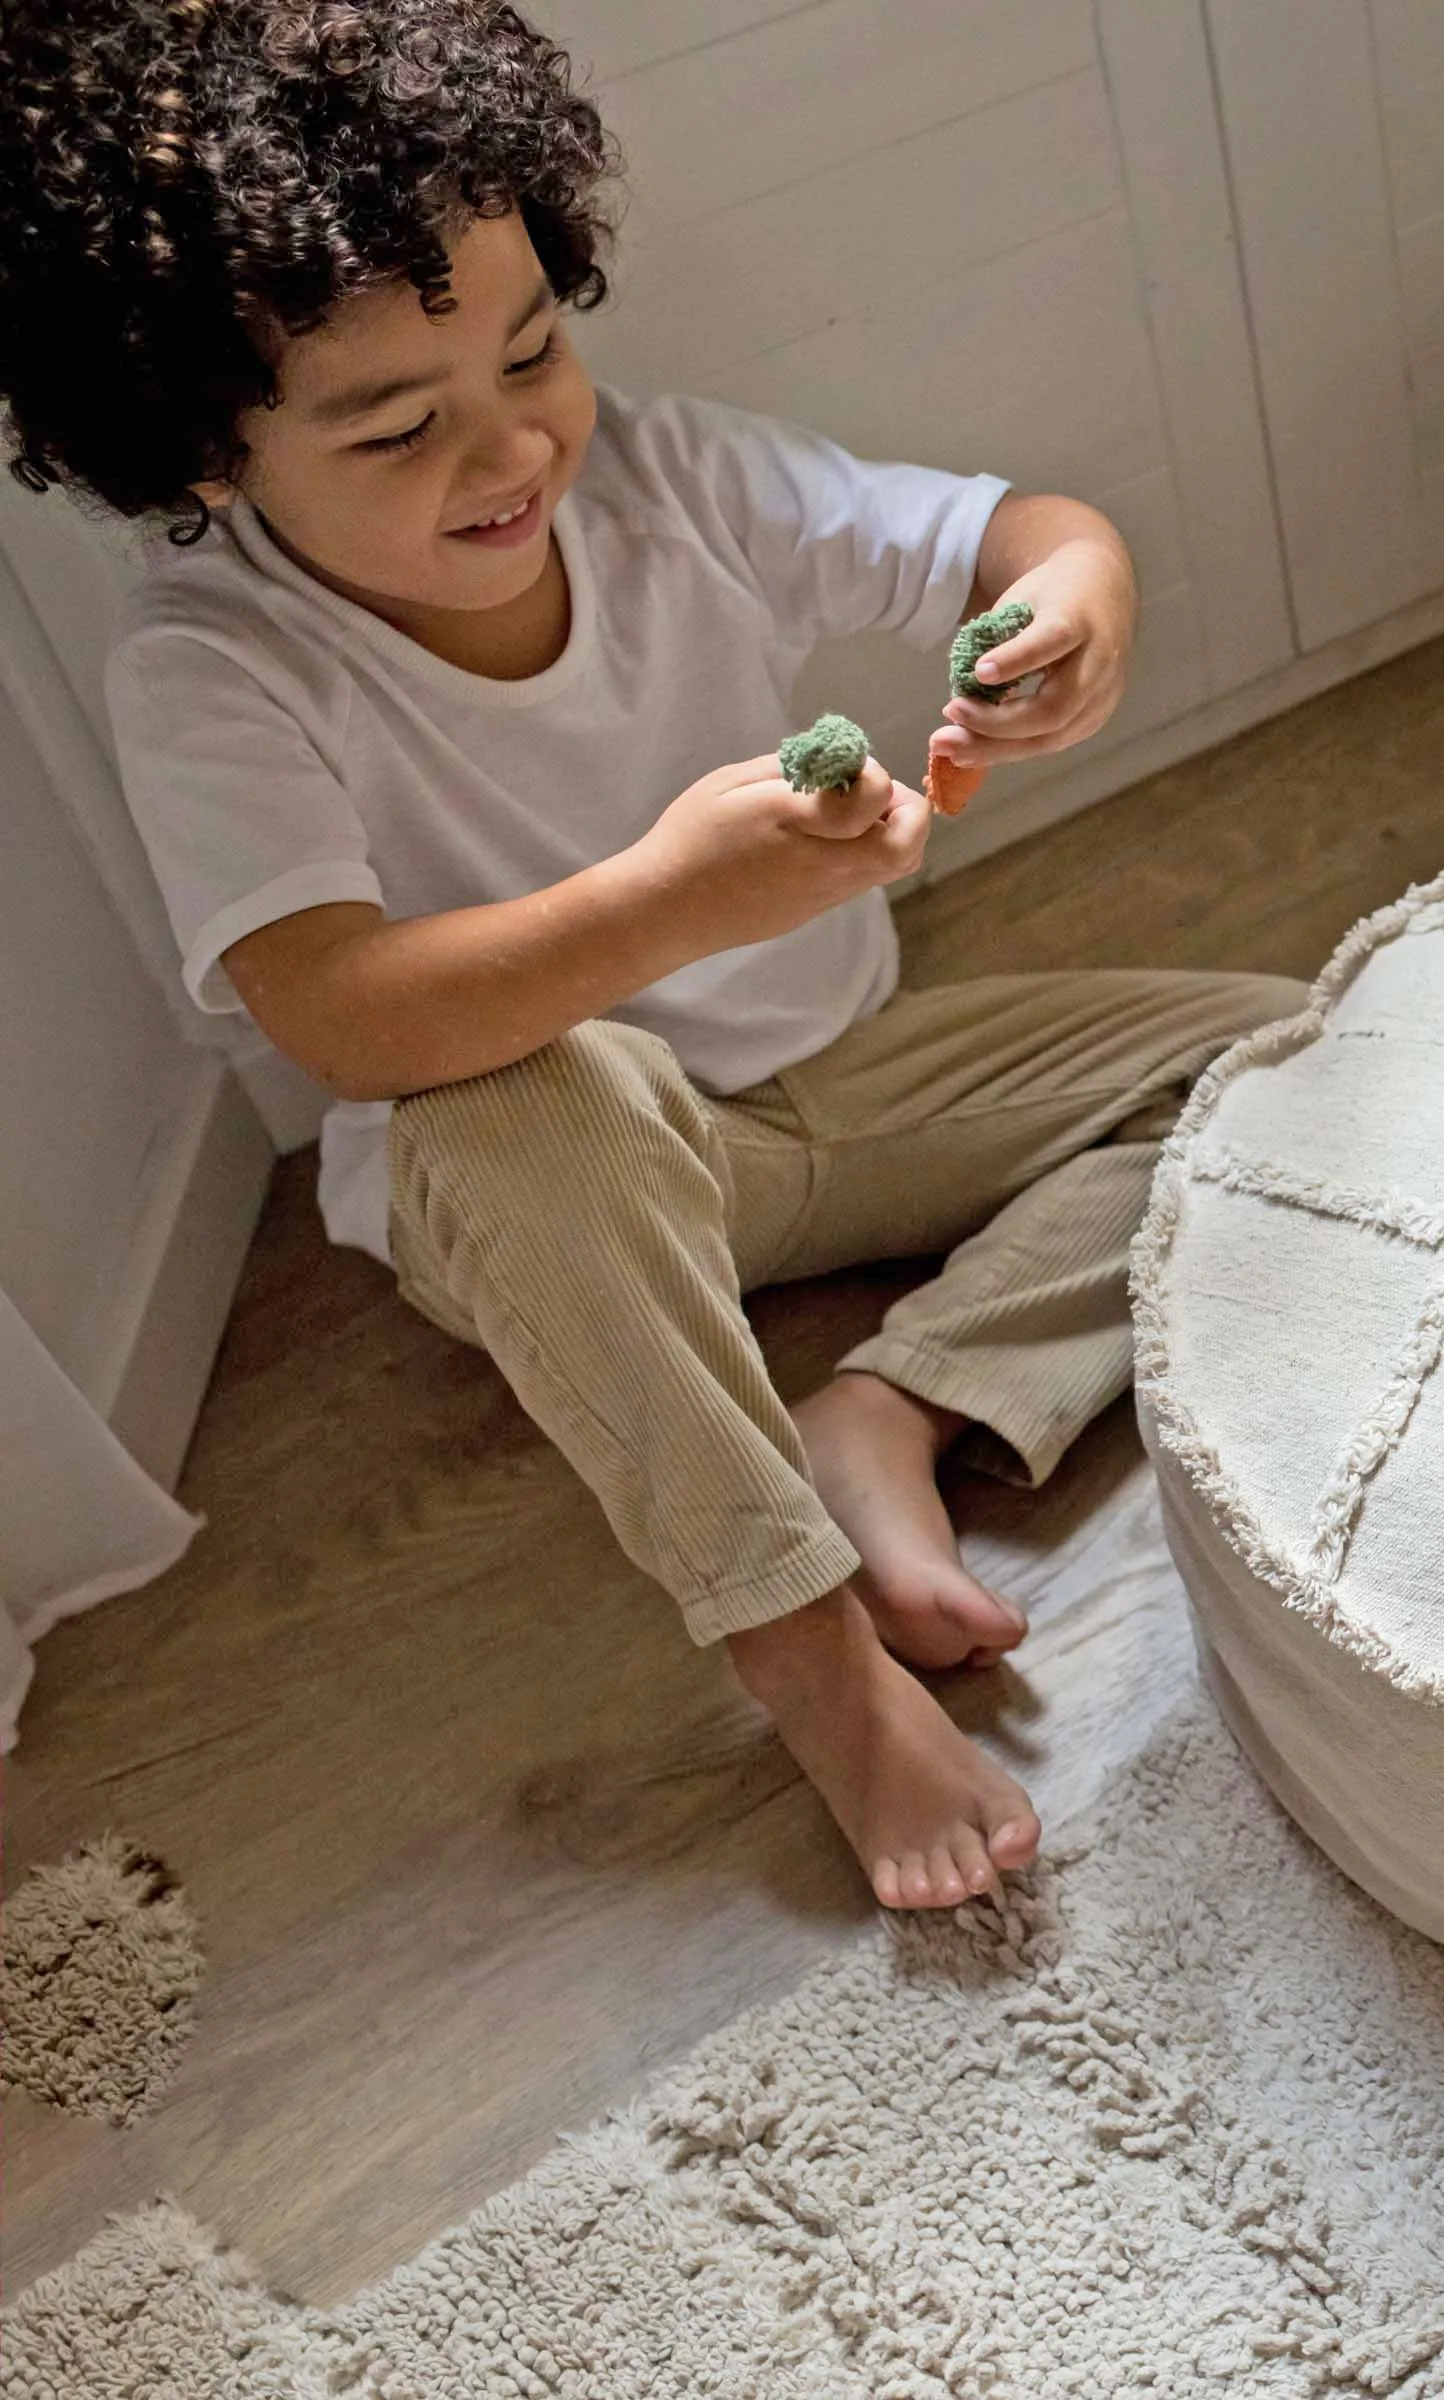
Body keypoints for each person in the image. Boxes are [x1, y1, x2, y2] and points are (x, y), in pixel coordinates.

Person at [0, 0, 1303, 1908]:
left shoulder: (670, 483)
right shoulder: (214, 667)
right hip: (571, 1185)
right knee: (535, 1095)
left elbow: (1021, 527)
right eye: (393, 425)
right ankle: (808, 1659)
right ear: (205, 454)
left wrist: (1067, 611)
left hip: (832, 1081)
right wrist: (680, 898)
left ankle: (897, 1407)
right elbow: (342, 1019)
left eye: (533, 351)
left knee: (1285, 1053)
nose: (509, 443)